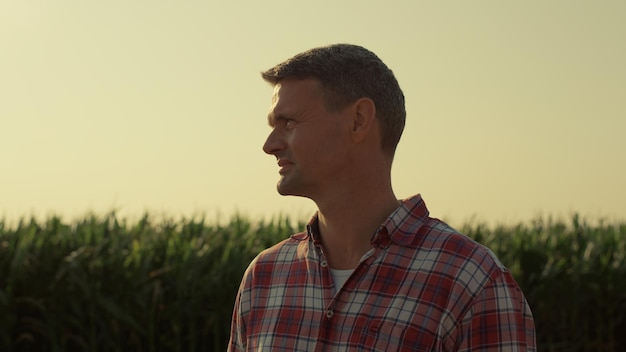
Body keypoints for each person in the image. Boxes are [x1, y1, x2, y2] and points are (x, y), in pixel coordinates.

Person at [228, 44, 536, 351]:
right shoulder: (263, 279)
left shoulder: (471, 282)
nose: (270, 144)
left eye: (289, 123)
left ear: (359, 120)